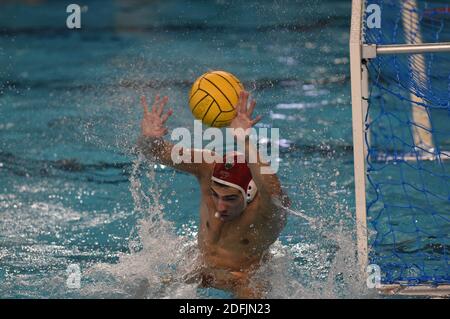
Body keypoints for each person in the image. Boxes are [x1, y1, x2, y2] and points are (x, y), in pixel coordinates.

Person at [137, 90, 289, 298]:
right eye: (215, 195)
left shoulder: (267, 210)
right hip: (200, 267)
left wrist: (245, 140)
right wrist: (149, 139)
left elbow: (274, 190)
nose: (219, 207)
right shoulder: (208, 165)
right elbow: (153, 152)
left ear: (250, 193)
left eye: (230, 199)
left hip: (243, 278)